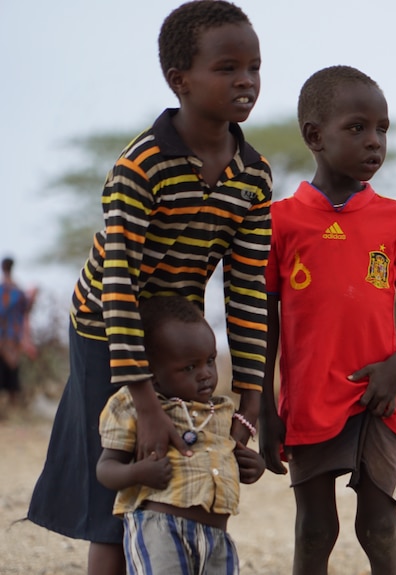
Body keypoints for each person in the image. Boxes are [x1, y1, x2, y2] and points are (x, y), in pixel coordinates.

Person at [27, 2, 271, 574]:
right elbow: (117, 284)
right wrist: (144, 402)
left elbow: (247, 290)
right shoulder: (143, 165)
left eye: (255, 67)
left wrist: (252, 403)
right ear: (179, 80)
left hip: (179, 335)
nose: (246, 81)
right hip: (107, 327)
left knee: (181, 483)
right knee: (121, 486)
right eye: (228, 67)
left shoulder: (253, 176)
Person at [259, 65, 396, 575]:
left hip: (381, 397)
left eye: (382, 129)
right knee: (316, 530)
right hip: (308, 397)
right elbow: (267, 322)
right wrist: (262, 403)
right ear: (314, 136)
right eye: (358, 128)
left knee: (380, 529)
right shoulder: (280, 222)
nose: (374, 142)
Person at [96, 296, 265, 574]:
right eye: (189, 368)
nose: (206, 374)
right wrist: (138, 473)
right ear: (152, 375)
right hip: (160, 531)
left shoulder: (221, 412)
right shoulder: (132, 407)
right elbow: (105, 469)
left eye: (209, 361)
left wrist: (253, 466)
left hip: (216, 538)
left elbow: (228, 458)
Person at [0, 256, 37, 412]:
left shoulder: (4, 291)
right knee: (12, 370)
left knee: (6, 370)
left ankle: (8, 411)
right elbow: (26, 312)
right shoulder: (19, 292)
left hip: (4, 336)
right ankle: (12, 408)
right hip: (13, 337)